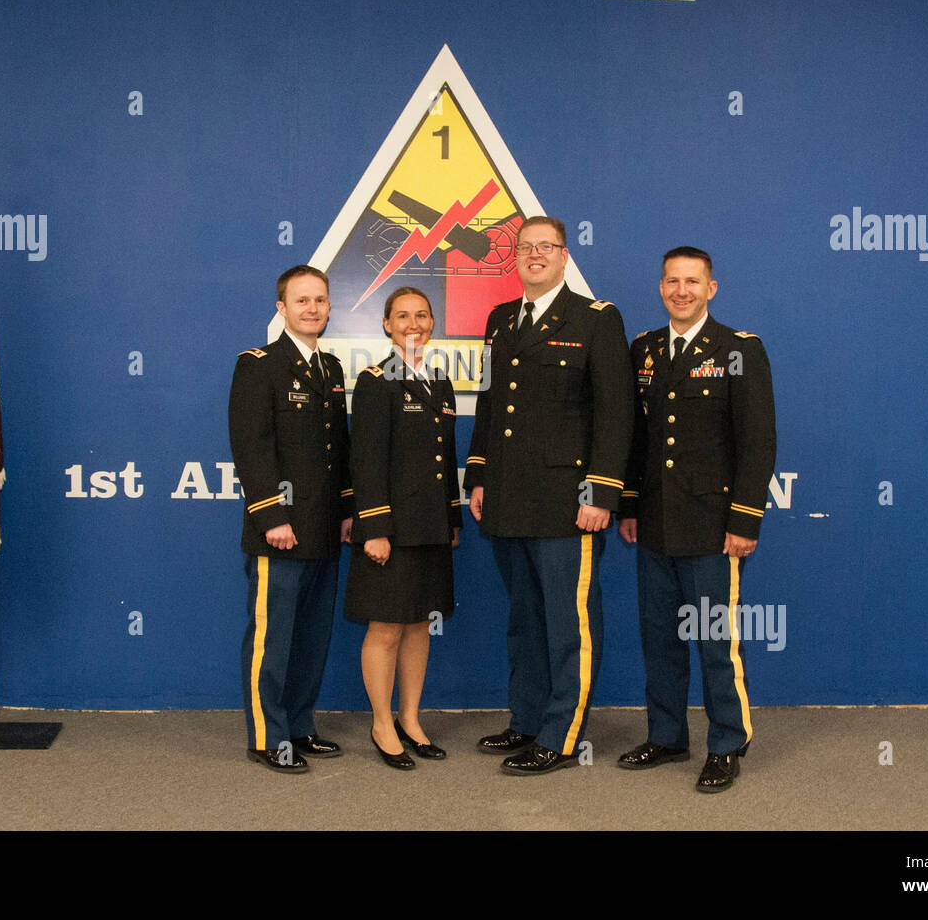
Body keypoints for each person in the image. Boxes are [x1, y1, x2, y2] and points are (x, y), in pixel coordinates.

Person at [464, 215, 633, 775]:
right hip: (508, 497)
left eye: (547, 247)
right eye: (525, 247)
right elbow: (491, 403)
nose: (535, 255)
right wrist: (479, 475)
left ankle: (561, 735)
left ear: (564, 255)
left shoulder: (596, 318)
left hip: (568, 501)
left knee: (568, 624)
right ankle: (528, 719)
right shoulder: (501, 319)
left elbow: (616, 412)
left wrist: (601, 492)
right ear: (514, 256)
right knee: (525, 620)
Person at [617, 246, 776, 792]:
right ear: (660, 287)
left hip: (713, 525)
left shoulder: (738, 350)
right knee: (660, 637)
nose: (681, 291)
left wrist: (745, 520)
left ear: (712, 289)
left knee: (714, 640)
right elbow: (637, 439)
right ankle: (666, 736)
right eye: (672, 281)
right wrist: (630, 505)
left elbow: (758, 442)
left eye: (692, 281)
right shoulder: (643, 349)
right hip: (655, 521)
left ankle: (727, 743)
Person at [228, 265, 353, 772]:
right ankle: (268, 736)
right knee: (273, 638)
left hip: (323, 528)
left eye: (320, 300)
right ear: (281, 308)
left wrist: (346, 511)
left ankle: (300, 726)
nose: (312, 309)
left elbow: (339, 449)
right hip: (279, 530)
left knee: (310, 637)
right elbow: (251, 447)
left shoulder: (332, 369)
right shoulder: (259, 365)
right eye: (301, 301)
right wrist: (271, 516)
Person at [345, 287, 462, 770]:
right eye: (402, 316)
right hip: (390, 531)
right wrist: (374, 528)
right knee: (387, 628)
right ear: (387, 325)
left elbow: (445, 460)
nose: (413, 324)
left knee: (419, 626)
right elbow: (366, 461)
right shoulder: (376, 382)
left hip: (431, 528)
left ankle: (410, 719)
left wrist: (452, 519)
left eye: (422, 315)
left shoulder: (439, 381)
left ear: (433, 323)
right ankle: (382, 724)